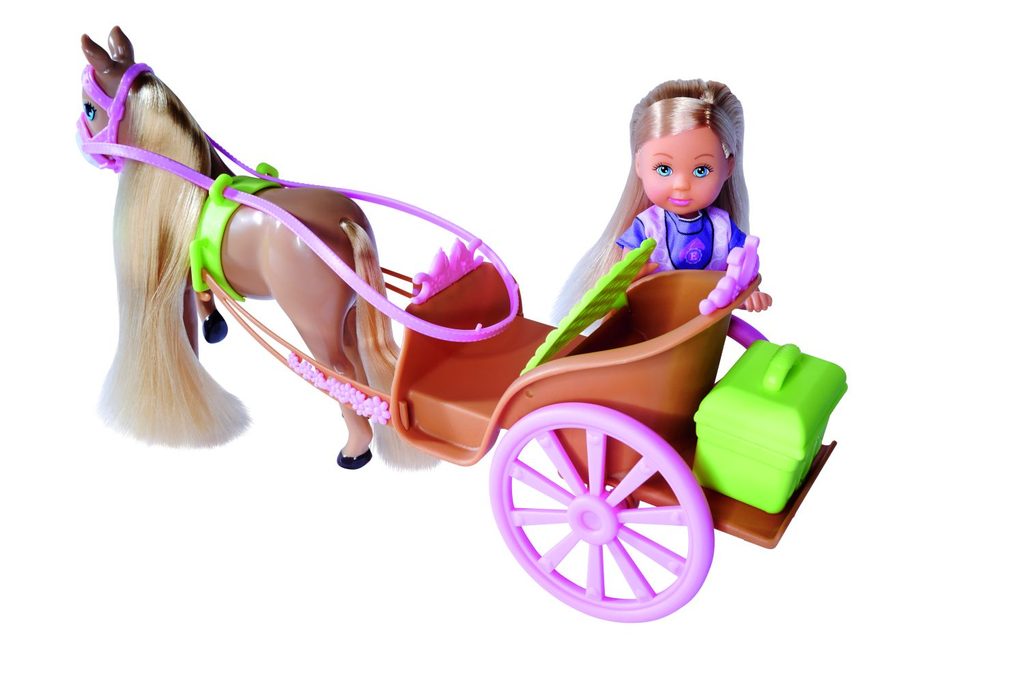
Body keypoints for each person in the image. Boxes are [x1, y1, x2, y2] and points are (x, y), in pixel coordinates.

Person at [555, 79, 772, 319]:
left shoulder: (723, 229)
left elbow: (740, 271)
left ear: (728, 168)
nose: (681, 185)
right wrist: (631, 282)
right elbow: (624, 280)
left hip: (706, 325)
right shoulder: (647, 228)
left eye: (701, 170)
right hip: (655, 323)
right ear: (639, 164)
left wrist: (748, 293)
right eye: (664, 169)